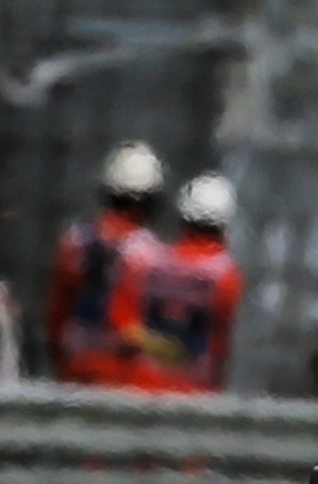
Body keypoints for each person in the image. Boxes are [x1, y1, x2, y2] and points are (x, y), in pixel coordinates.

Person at [48, 143, 165, 388]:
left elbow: (57, 312)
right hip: (125, 376)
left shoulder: (74, 240)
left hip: (74, 368)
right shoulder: (150, 254)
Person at [122, 169, 244, 393]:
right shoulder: (226, 275)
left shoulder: (149, 260)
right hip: (193, 391)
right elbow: (219, 341)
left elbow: (129, 324)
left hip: (140, 385)